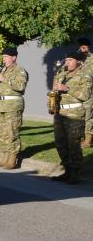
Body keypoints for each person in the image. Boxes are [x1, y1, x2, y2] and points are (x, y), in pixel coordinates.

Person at [50, 52, 92, 184]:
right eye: (66, 60)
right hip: (60, 112)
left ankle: (75, 173)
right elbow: (54, 92)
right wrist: (51, 103)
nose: (67, 62)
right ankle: (67, 170)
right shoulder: (61, 75)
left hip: (74, 113)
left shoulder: (84, 76)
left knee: (73, 143)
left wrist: (67, 88)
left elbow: (85, 95)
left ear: (78, 62)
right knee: (60, 143)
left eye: (70, 60)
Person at [0, 47, 28, 169]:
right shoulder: (2, 70)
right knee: (2, 133)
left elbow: (20, 86)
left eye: (6, 56)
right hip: (1, 105)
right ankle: (5, 157)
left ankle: (13, 159)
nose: (3, 59)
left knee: (12, 132)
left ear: (14, 57)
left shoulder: (20, 71)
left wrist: (4, 79)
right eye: (3, 56)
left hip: (13, 105)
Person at [76, 37, 93, 148]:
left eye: (84, 47)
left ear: (88, 47)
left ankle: (88, 140)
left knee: (88, 116)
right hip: (78, 92)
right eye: (81, 47)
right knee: (79, 116)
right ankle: (81, 138)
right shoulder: (78, 59)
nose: (82, 49)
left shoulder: (92, 59)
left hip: (90, 92)